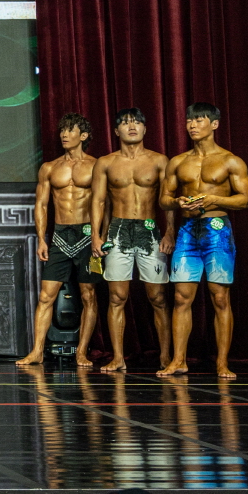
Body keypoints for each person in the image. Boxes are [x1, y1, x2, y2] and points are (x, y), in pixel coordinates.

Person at [158, 102, 248, 378]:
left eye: (199, 120)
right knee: (181, 297)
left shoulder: (230, 160)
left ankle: (222, 363)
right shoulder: (178, 161)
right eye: (189, 120)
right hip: (188, 229)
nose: (192, 125)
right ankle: (179, 360)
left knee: (220, 297)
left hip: (217, 229)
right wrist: (177, 201)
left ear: (214, 124)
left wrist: (214, 199)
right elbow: (163, 200)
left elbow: (245, 199)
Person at [90, 108, 174, 372]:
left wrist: (170, 232)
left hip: (149, 228)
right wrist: (96, 235)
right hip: (118, 229)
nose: (132, 126)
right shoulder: (105, 162)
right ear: (116, 130)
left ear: (145, 129)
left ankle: (165, 357)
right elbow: (98, 201)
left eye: (137, 122)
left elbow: (169, 201)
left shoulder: (159, 160)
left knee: (157, 297)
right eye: (126, 123)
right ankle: (118, 358)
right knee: (117, 296)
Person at [17, 113, 100, 368]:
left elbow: (103, 203)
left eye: (70, 130)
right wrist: (42, 239)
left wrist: (100, 236)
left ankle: (82, 352)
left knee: (88, 295)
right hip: (61, 236)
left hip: (87, 235)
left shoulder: (97, 166)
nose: (64, 134)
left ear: (83, 136)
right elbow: (41, 205)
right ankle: (37, 351)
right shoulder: (50, 168)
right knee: (46, 296)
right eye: (62, 130)